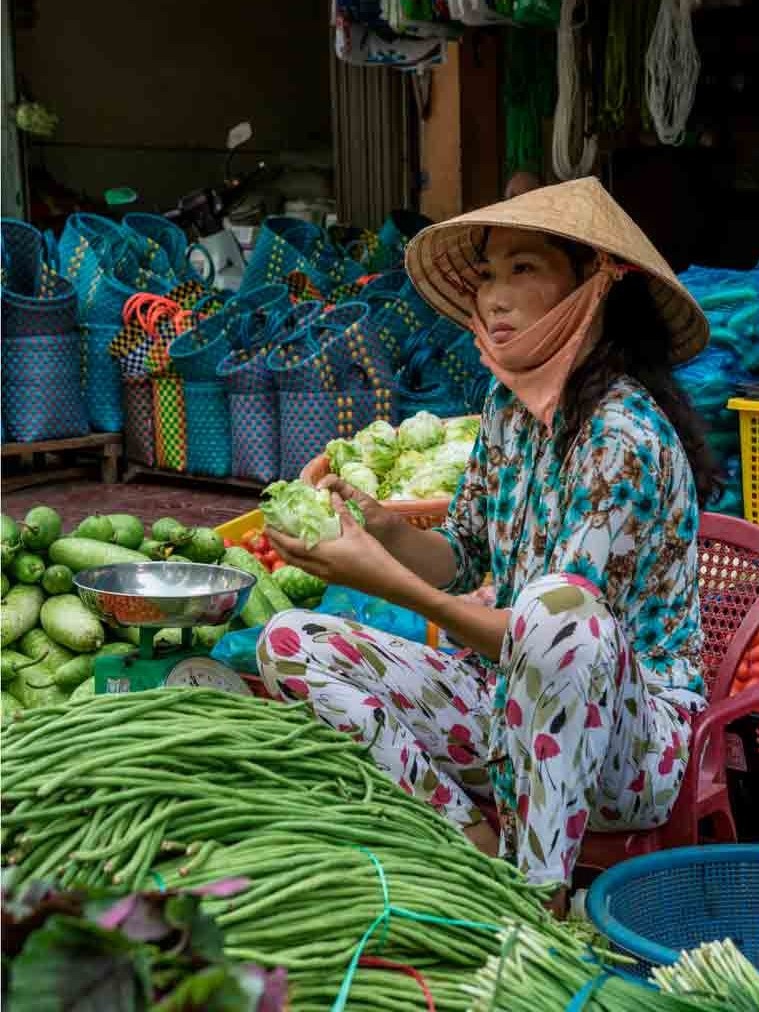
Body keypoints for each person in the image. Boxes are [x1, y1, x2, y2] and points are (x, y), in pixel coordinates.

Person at [257, 178, 718, 909]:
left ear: (594, 287)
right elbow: (463, 555)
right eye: (488, 276)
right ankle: (468, 841)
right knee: (289, 640)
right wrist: (379, 526)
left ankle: (539, 896)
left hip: (624, 753)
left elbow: (549, 634)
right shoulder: (508, 408)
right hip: (505, 713)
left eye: (524, 269)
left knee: (558, 611)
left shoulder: (622, 437)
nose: (492, 297)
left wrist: (384, 579)